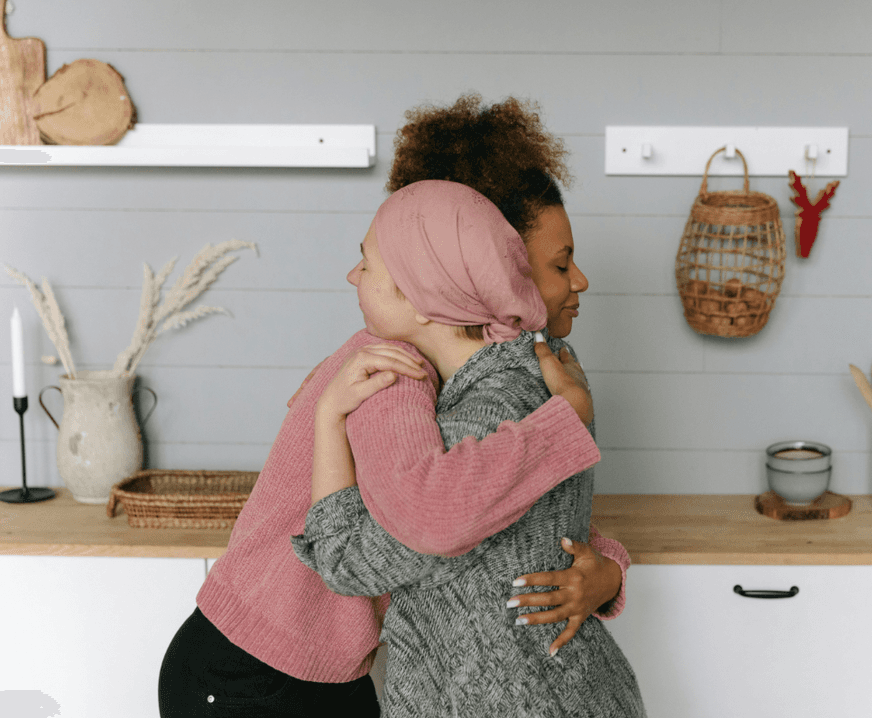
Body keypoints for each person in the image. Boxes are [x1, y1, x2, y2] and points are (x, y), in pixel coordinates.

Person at [158, 95, 630, 717]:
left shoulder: (501, 374)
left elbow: (504, 511)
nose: (579, 279)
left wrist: (607, 571)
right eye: (558, 264)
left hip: (314, 667)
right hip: (257, 669)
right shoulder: (395, 372)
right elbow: (426, 523)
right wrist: (565, 425)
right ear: (472, 272)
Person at [292, 179, 645, 717]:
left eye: (366, 264)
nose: (352, 276)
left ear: (422, 296)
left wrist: (328, 415)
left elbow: (349, 562)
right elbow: (535, 526)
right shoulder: (544, 372)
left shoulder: (485, 415)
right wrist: (612, 566)